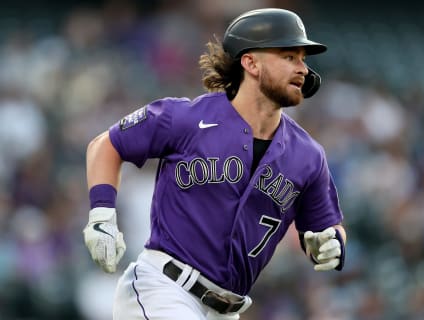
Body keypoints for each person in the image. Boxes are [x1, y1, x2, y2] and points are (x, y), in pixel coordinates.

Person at [83, 8, 346, 320]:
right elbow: (107, 144)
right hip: (165, 288)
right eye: (289, 56)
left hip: (227, 310)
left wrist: (332, 242)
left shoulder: (308, 155)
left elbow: (328, 226)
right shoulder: (186, 119)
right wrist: (101, 214)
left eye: (303, 59)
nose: (302, 68)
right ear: (251, 63)